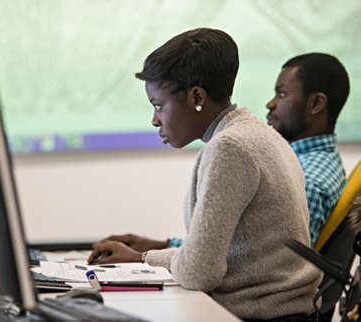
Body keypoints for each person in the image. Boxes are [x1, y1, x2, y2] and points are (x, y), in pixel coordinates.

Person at [87, 28, 322, 321]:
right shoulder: (258, 134)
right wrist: (141, 258)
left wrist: (145, 259)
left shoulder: (230, 147)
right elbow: (207, 260)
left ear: (196, 95)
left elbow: (199, 273)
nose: (154, 119)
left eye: (159, 105)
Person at [266, 53, 349, 245]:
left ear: (316, 104)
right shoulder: (322, 161)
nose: (270, 104)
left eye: (282, 93)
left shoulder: (306, 183)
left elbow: (278, 270)